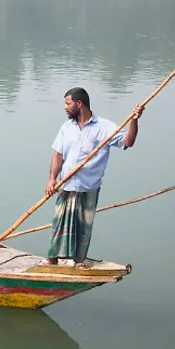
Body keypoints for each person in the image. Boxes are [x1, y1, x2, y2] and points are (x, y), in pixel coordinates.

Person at [44, 87, 144, 268]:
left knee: (84, 225)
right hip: (66, 184)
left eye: (68, 103)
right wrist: (52, 179)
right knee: (59, 223)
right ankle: (52, 258)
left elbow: (127, 142)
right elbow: (58, 155)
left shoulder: (105, 127)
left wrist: (134, 121)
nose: (65, 107)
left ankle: (78, 261)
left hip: (88, 186)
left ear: (79, 104)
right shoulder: (67, 127)